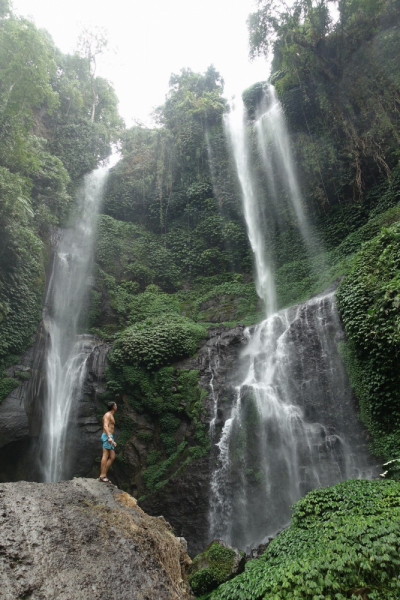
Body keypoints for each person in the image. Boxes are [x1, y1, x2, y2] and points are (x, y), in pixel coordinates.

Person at [99, 402, 117, 482]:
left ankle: (104, 474)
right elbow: (105, 426)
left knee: (112, 457)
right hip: (107, 436)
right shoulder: (107, 415)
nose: (117, 406)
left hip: (110, 437)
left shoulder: (111, 415)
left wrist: (113, 440)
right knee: (105, 455)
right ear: (113, 407)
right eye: (116, 405)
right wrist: (109, 437)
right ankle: (102, 476)